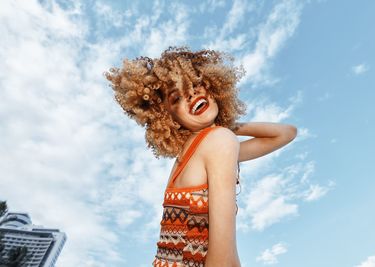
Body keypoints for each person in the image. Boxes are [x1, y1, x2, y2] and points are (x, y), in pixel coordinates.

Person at [105, 46, 297, 267]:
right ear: (168, 117)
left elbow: (285, 133)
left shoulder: (198, 149)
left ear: (212, 85)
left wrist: (228, 126)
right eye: (177, 97)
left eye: (195, 83)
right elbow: (221, 259)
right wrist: (224, 131)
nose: (191, 94)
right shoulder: (218, 142)